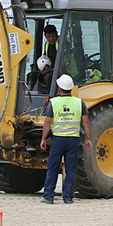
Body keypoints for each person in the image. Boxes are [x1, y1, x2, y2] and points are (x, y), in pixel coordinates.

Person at [40, 74, 93, 205]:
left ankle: (48, 196)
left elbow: (47, 123)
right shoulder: (79, 103)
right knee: (70, 169)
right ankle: (68, 197)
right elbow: (86, 122)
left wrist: (43, 139)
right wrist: (88, 138)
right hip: (73, 140)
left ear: (59, 88)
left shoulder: (54, 103)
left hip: (58, 140)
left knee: (52, 167)